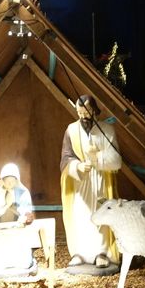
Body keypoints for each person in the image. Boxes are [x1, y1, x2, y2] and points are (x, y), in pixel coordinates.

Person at [60, 94, 121, 268]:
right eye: (79, 113)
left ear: (94, 110)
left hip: (100, 179)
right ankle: (80, 252)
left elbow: (116, 160)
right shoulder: (71, 130)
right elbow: (65, 157)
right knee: (81, 215)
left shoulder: (107, 130)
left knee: (101, 214)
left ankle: (101, 252)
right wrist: (77, 166)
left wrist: (98, 158)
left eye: (86, 112)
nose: (83, 116)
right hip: (80, 183)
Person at [0, 162, 37, 274]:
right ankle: (0, 264)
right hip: (1, 228)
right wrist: (5, 206)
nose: (9, 182)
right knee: (0, 249)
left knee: (19, 248)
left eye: (12, 180)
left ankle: (21, 263)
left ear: (16, 180)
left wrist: (23, 215)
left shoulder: (23, 192)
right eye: (7, 180)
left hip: (17, 227)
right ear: (2, 180)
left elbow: (26, 210)